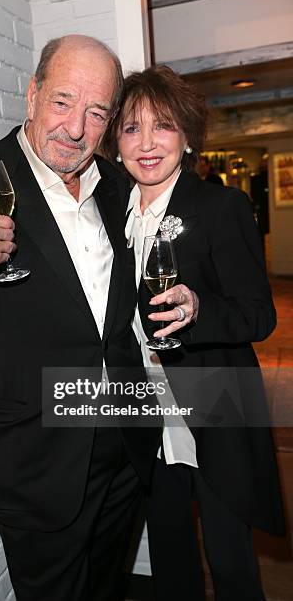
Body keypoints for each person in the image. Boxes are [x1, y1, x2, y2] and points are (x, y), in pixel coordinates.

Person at [0, 36, 161, 601]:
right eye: (63, 102)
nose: (75, 128)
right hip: (32, 459)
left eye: (96, 112)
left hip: (124, 440)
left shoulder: (118, 188)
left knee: (108, 585)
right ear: (32, 94)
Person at [101, 66, 285, 600]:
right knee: (169, 553)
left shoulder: (220, 207)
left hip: (214, 405)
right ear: (116, 141)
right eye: (131, 128)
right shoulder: (111, 214)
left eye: (163, 125)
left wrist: (201, 309)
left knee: (229, 558)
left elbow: (258, 315)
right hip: (143, 406)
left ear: (186, 135)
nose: (147, 142)